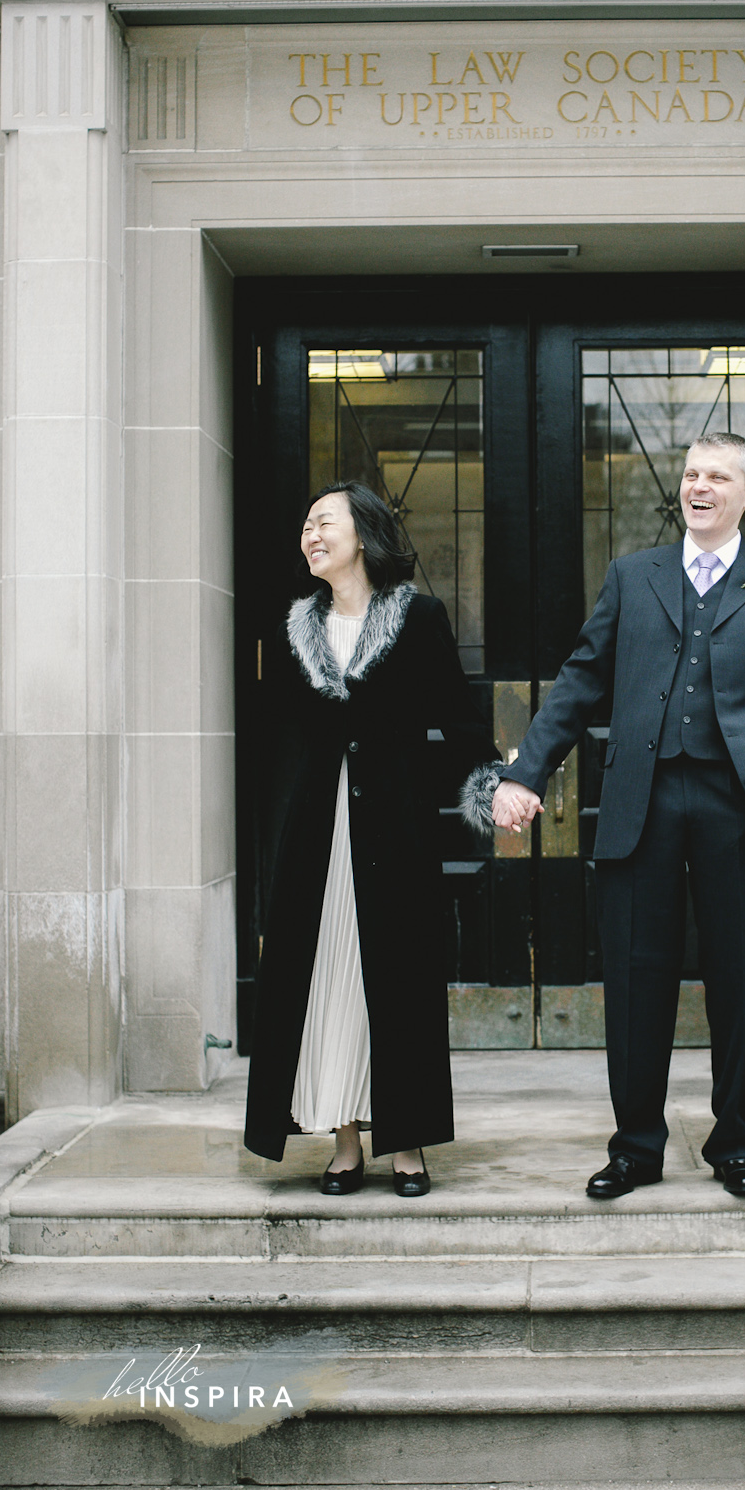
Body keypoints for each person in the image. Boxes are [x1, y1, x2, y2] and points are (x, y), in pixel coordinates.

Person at [489, 432, 745, 1200]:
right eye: (692, 473)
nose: (699, 486)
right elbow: (581, 678)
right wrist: (528, 771)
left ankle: (735, 1142)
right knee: (638, 980)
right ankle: (636, 1148)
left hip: (735, 804)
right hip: (639, 800)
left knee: (737, 980)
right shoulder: (632, 576)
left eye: (718, 476)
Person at [244, 481, 499, 1196]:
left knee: (398, 981)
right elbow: (282, 742)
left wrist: (491, 784)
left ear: (364, 533)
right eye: (305, 526)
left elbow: (459, 716)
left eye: (323, 521)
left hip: (396, 829)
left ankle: (407, 1143)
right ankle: (346, 1140)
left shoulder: (418, 617)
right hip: (317, 838)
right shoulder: (297, 628)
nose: (310, 535)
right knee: (329, 977)